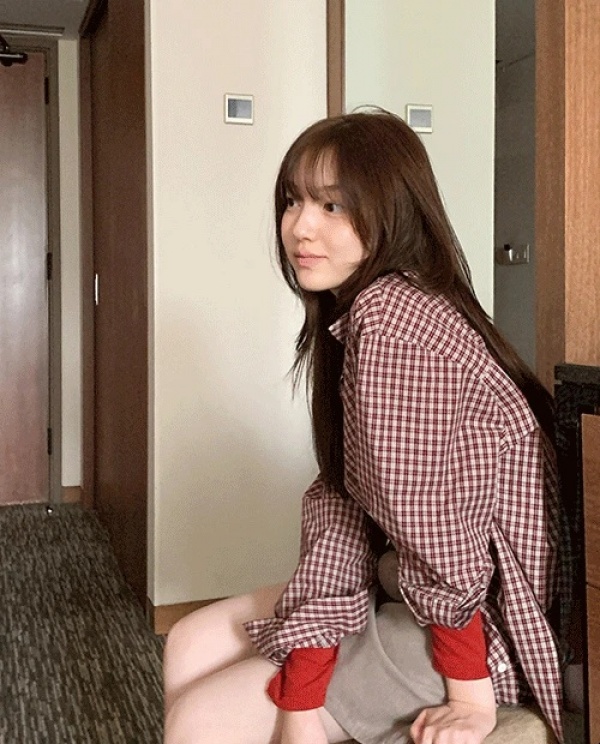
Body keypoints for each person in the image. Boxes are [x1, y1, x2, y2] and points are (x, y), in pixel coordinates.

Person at [163, 110, 570, 744]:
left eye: (332, 205)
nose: (301, 226)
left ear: (391, 213)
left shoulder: (391, 320)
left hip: (487, 624)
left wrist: (469, 696)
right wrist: (301, 688)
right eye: (294, 200)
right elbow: (342, 507)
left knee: (200, 719)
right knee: (188, 641)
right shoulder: (364, 312)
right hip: (402, 579)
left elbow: (438, 535)